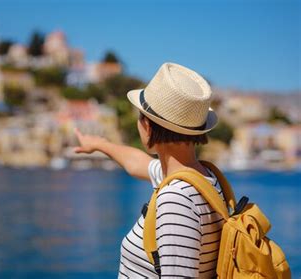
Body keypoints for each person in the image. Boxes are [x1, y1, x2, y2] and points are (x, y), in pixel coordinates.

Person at [74, 62, 225, 278]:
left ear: (148, 126)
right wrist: (99, 144)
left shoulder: (176, 200)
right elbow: (138, 163)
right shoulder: (201, 178)